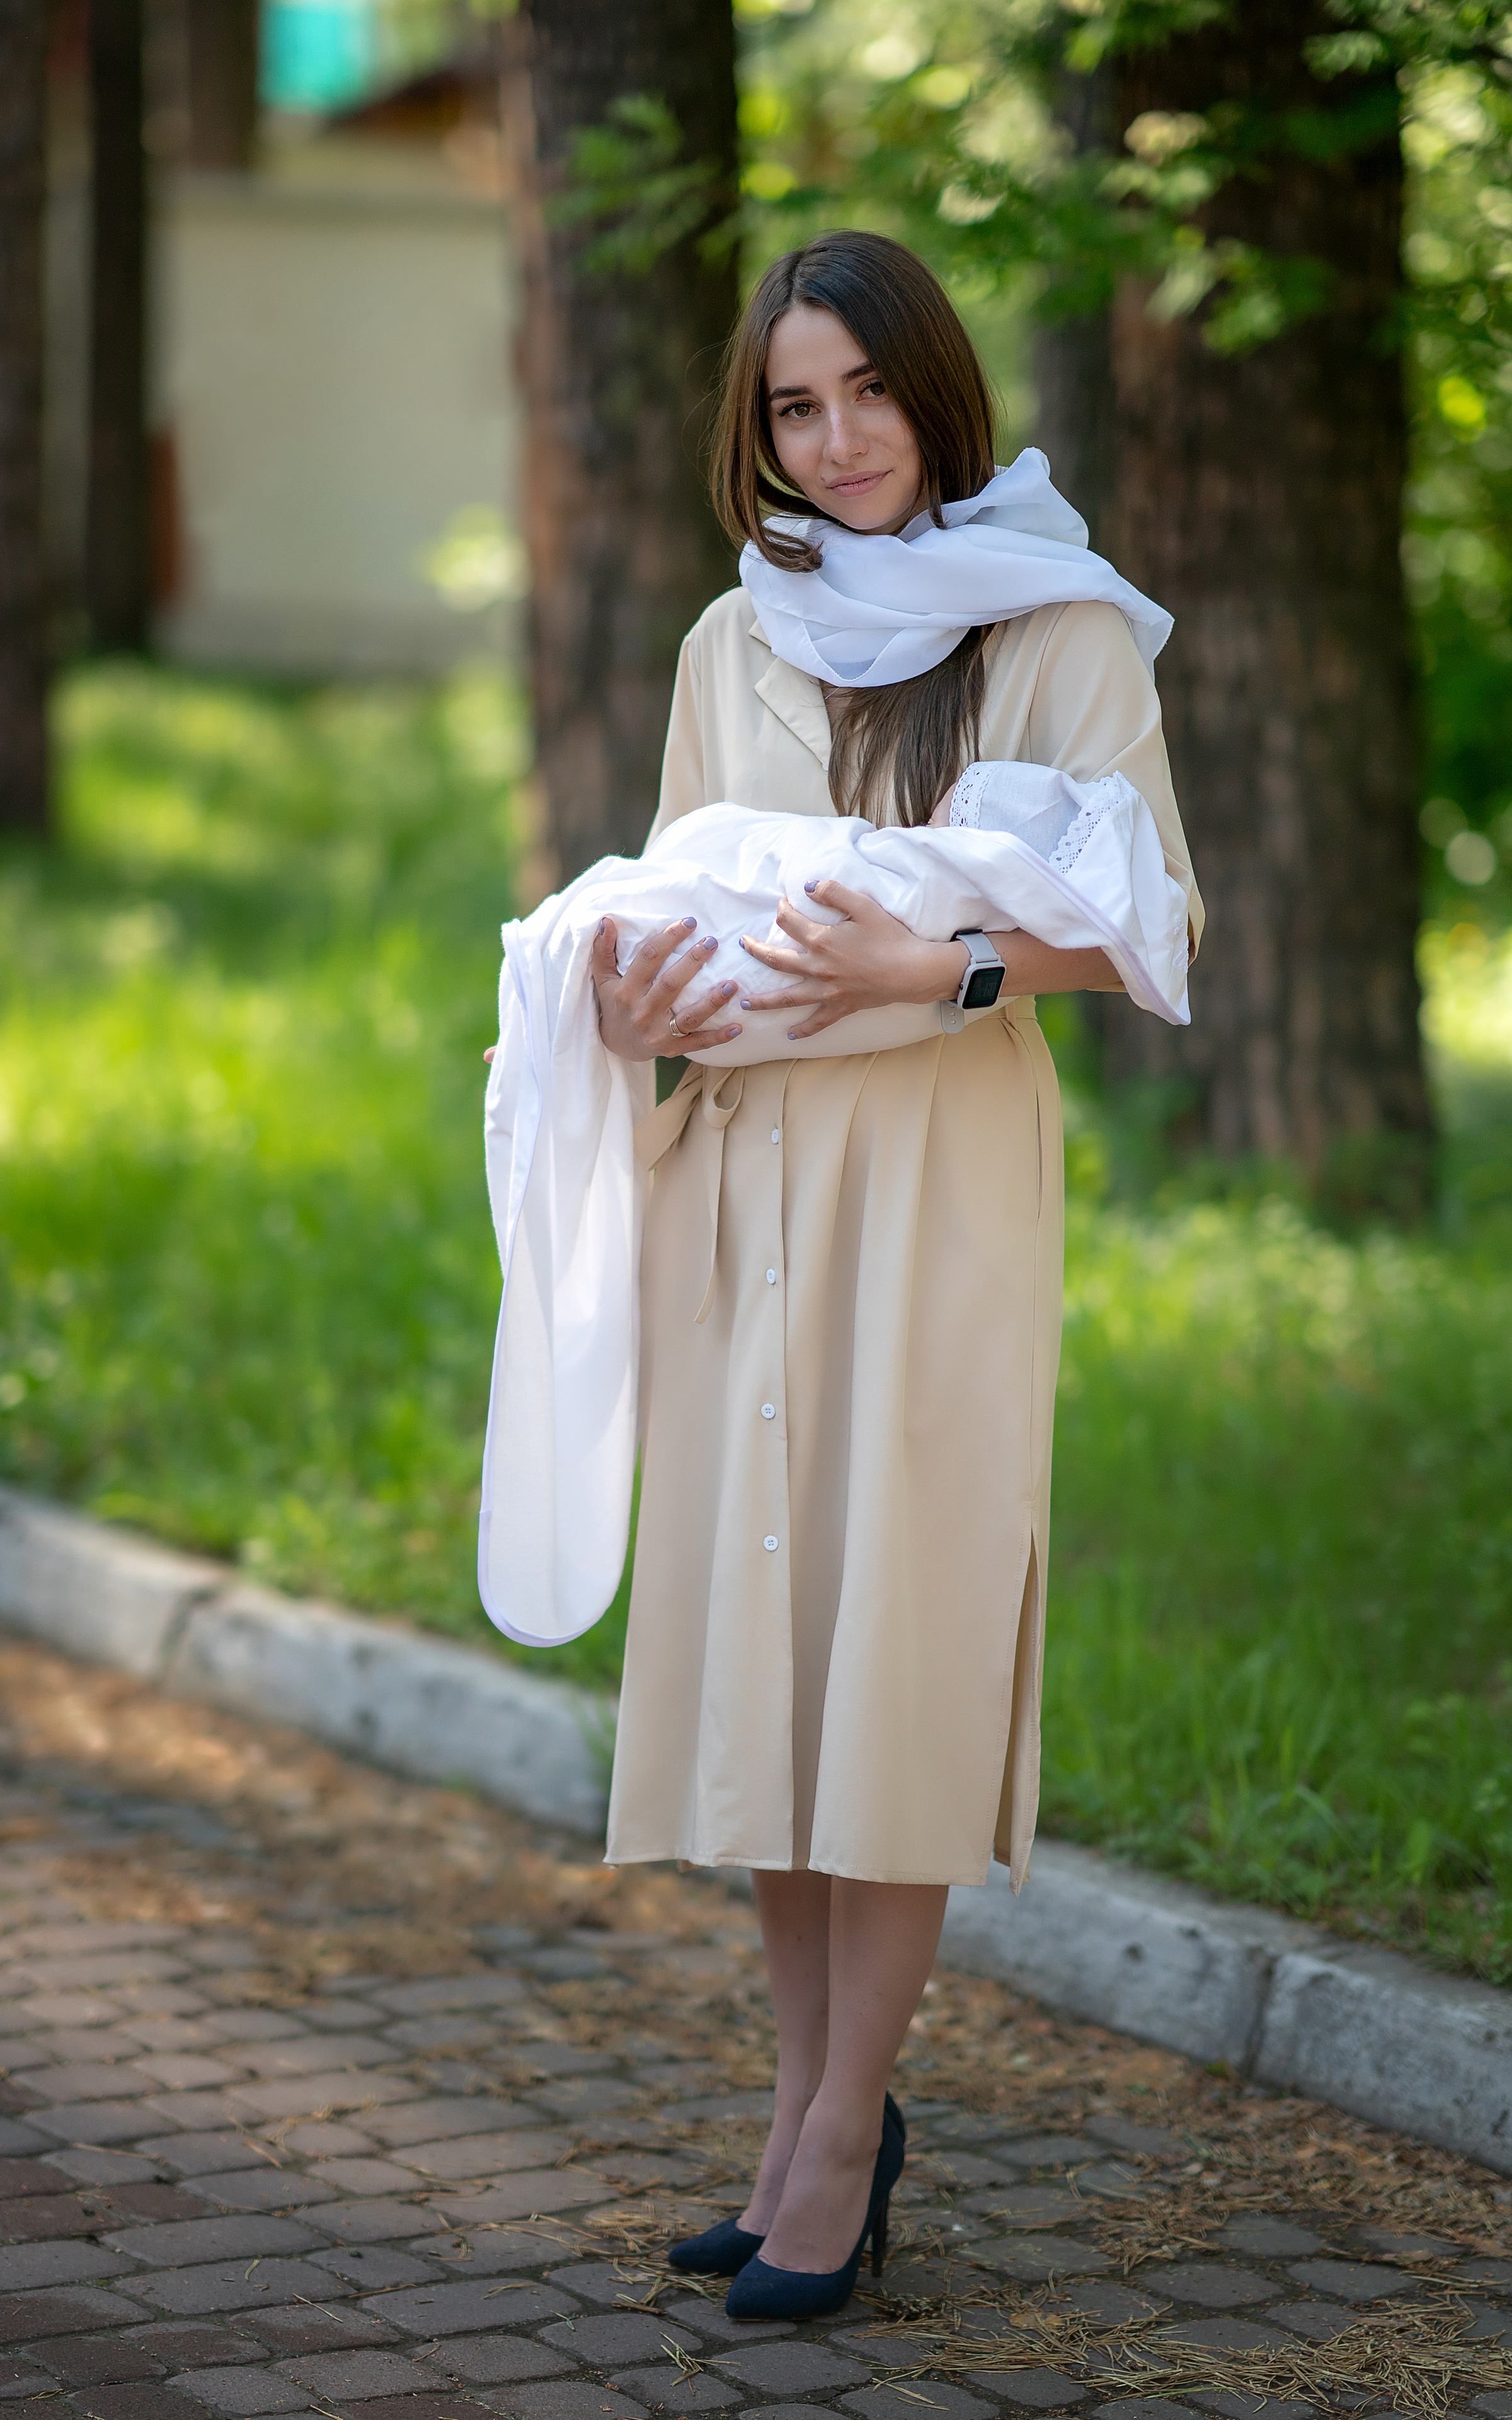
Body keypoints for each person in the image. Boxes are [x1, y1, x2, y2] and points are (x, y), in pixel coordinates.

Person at [586, 230, 1203, 2322]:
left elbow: (1150, 925)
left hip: (938, 1170)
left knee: (899, 1639)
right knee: (776, 1638)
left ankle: (852, 2134)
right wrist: (623, 992)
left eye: (867, 394)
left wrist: (934, 964)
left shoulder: (1054, 626)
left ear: (935, 390)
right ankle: (796, 2112)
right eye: (793, 406)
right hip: (747, 1169)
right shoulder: (726, 639)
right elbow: (675, 890)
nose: (836, 443)